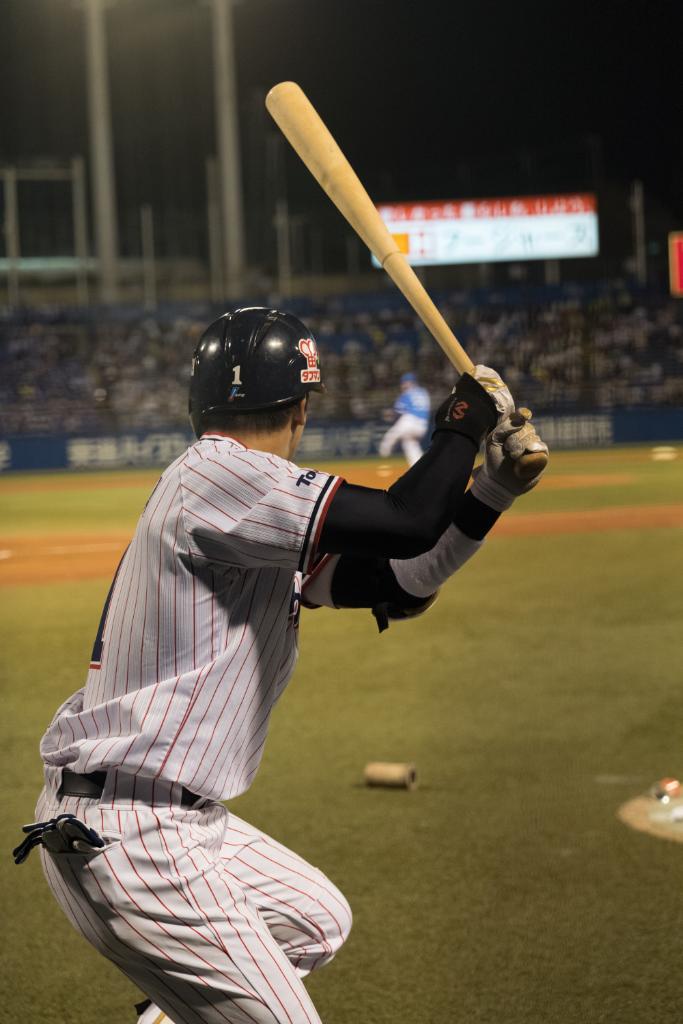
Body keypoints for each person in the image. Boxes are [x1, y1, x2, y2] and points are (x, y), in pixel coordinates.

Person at [14, 307, 548, 1024]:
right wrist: (463, 418)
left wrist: (490, 493)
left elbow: (399, 579)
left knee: (313, 918)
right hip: (135, 834)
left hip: (159, 818)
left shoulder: (248, 505)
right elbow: (406, 519)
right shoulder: (220, 475)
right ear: (300, 408)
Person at [378, 371, 431, 466]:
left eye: (404, 383)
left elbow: (398, 411)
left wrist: (389, 413)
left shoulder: (407, 393)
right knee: (409, 443)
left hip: (411, 421)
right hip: (423, 425)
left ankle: (384, 450)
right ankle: (418, 466)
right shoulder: (423, 392)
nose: (402, 385)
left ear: (409, 382)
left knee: (395, 432)